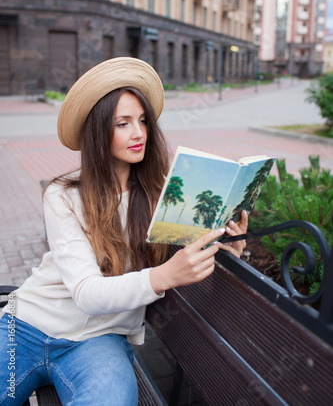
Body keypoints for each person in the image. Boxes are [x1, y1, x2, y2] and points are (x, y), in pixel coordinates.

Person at [0, 57, 247, 405]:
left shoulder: (165, 195)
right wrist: (162, 276)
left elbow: (184, 261)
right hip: (26, 326)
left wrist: (226, 247)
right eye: (123, 123)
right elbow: (87, 293)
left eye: (143, 121)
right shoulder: (63, 196)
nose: (139, 133)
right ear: (98, 131)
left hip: (99, 341)